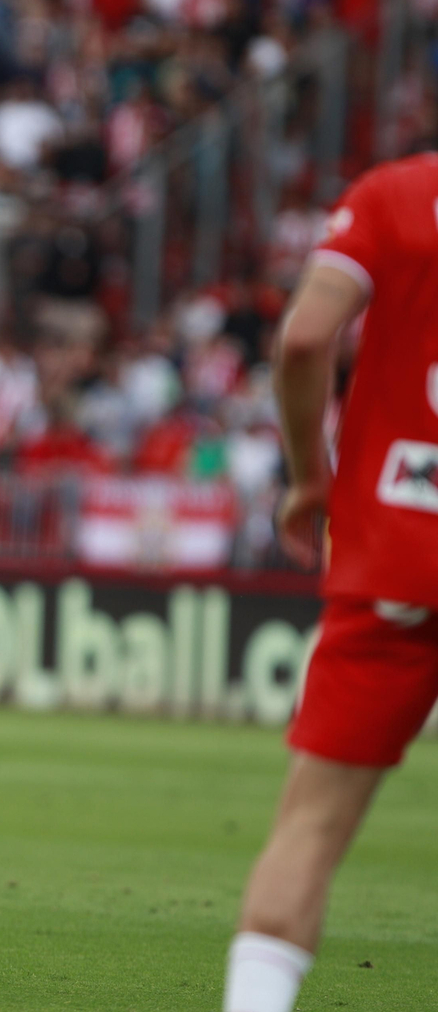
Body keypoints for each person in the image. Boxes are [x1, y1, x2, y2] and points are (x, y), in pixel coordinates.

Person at [223, 152, 438, 1012]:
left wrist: (311, 477)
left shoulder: (396, 193)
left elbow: (307, 336)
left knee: (308, 832)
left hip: (395, 545)